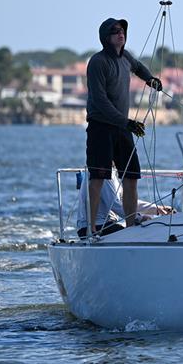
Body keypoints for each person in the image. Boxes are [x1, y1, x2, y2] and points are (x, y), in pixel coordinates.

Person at [85, 17, 162, 235]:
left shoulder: (125, 56)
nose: (121, 34)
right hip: (101, 126)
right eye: (115, 31)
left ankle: (130, 226)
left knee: (131, 176)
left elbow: (138, 67)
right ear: (105, 38)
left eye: (122, 30)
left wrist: (150, 79)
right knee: (99, 176)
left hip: (122, 126)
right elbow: (100, 101)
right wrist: (126, 122)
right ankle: (92, 228)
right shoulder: (98, 62)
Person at [76, 171, 173, 238]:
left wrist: (156, 209)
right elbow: (114, 204)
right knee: (146, 230)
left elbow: (126, 202)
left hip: (105, 225)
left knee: (147, 225)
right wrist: (139, 218)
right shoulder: (103, 173)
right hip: (96, 228)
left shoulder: (111, 173)